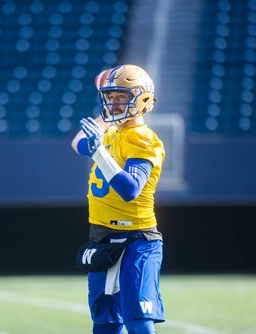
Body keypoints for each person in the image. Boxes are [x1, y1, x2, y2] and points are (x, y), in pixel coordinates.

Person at [71, 64, 166, 334]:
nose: (113, 104)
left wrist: (99, 151)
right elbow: (77, 143)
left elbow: (130, 189)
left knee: (139, 324)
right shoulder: (112, 131)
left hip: (137, 240)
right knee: (105, 324)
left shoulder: (144, 139)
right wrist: (95, 138)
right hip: (102, 238)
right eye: (110, 97)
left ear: (142, 99)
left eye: (120, 97)